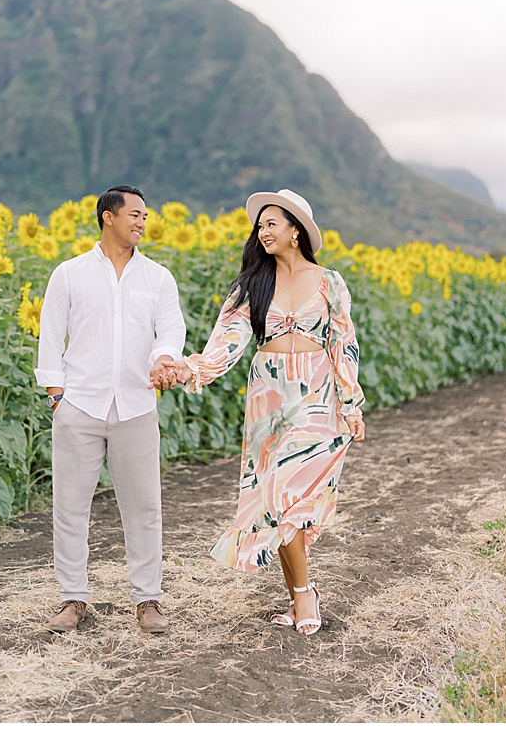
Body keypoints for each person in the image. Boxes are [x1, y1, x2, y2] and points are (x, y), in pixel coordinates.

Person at [151, 189, 365, 636]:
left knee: (290, 493)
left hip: (317, 395)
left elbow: (344, 344)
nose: (264, 232)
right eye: (260, 226)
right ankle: (299, 597)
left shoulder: (329, 281)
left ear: (296, 230)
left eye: (272, 223)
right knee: (276, 500)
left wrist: (352, 403)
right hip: (269, 397)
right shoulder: (252, 284)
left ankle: (304, 596)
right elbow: (225, 343)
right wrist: (185, 367)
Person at [35, 186, 186, 634]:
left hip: (136, 405)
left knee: (143, 507)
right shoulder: (69, 274)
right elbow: (50, 333)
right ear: (108, 217)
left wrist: (165, 357)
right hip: (79, 403)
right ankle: (73, 598)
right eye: (135, 214)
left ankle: (147, 600)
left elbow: (170, 329)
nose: (142, 222)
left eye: (145, 216)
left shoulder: (158, 278)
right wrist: (56, 395)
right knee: (70, 506)